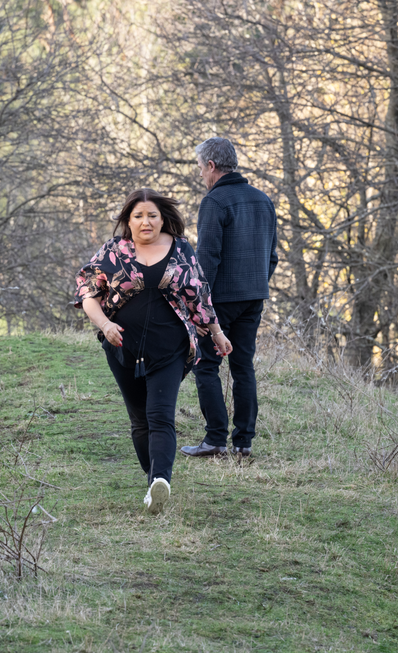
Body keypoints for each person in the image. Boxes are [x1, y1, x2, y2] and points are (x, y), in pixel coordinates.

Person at [75, 189, 232, 515]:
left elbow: (199, 296)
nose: (146, 221)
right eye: (138, 216)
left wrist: (216, 333)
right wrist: (105, 326)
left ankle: (162, 479)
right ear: (127, 220)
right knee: (139, 420)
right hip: (122, 347)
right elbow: (88, 294)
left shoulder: (181, 250)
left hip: (170, 348)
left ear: (163, 219)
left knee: (160, 416)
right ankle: (153, 484)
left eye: (152, 215)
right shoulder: (113, 252)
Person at [180, 137, 278, 459]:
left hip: (219, 301)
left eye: (200, 168)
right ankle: (243, 442)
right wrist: (256, 286)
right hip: (254, 298)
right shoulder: (263, 200)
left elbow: (207, 259)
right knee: (242, 366)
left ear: (211, 166)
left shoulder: (215, 202)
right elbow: (272, 257)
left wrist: (198, 303)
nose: (200, 176)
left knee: (205, 365)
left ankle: (215, 440)